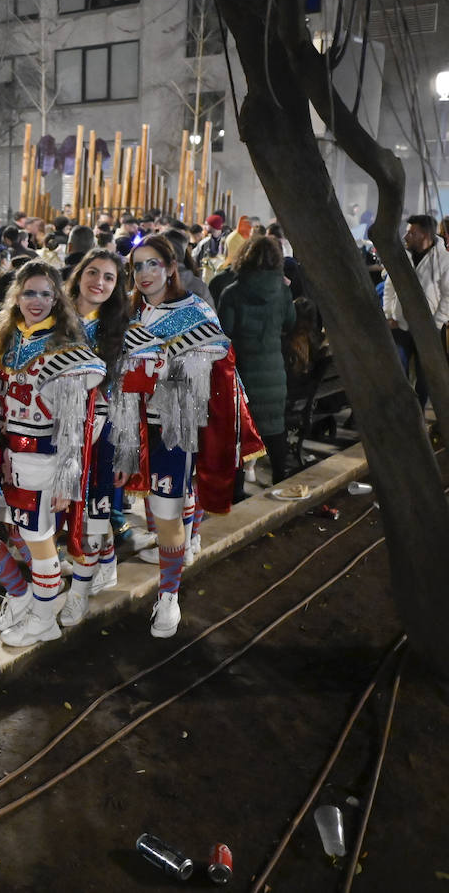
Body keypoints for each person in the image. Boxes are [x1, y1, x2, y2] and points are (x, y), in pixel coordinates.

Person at [120, 236, 262, 639]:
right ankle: (183, 542)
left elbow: (215, 369)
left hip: (174, 428)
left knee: (168, 513)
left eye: (152, 265)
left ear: (170, 267)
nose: (144, 274)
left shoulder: (194, 311)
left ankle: (169, 596)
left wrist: (158, 369)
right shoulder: (130, 311)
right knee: (156, 509)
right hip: (136, 428)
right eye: (137, 267)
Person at [0, 261, 105, 645]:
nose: (36, 301)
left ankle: (43, 619)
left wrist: (66, 480)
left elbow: (81, 422)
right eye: (28, 292)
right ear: (15, 297)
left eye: (45, 293)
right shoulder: (8, 340)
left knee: (39, 542)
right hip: (10, 460)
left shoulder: (68, 351)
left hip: (44, 460)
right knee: (27, 535)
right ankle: (35, 610)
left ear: (57, 299)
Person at [65, 249, 135, 606]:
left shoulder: (121, 329)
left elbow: (126, 396)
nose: (99, 282)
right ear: (79, 275)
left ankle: (82, 585)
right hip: (56, 430)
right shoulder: (53, 318)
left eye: (109, 278)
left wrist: (126, 449)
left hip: (104, 432)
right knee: (61, 506)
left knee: (97, 506)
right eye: (93, 273)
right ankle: (102, 558)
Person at [217, 235, 297, 483]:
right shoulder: (283, 291)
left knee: (240, 432)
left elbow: (224, 333)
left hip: (243, 372)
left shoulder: (232, 293)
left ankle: (238, 489)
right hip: (274, 370)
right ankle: (280, 478)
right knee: (275, 427)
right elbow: (291, 322)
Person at [383, 214, 449, 411]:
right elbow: (390, 287)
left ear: (425, 235)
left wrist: (436, 322)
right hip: (400, 324)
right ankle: (400, 408)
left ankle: (418, 409)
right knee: (396, 368)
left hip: (429, 328)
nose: (406, 236)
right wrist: (389, 314)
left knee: (425, 373)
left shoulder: (445, 261)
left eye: (411, 233)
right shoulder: (401, 258)